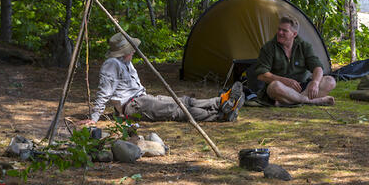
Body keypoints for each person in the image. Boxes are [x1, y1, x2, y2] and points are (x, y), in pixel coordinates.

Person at [78, 32, 244, 126]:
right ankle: (220, 115)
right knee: (177, 110)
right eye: (131, 49)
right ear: (122, 51)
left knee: (182, 101)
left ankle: (220, 102)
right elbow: (104, 92)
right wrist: (94, 117)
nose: (134, 51)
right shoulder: (111, 64)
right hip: (133, 106)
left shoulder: (126, 62)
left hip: (142, 100)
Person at [254, 15, 336, 106]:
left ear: (294, 34)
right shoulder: (269, 48)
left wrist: (315, 83)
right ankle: (310, 101)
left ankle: (289, 101)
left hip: (301, 88)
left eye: (284, 31)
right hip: (280, 89)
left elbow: (318, 67)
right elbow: (261, 75)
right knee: (275, 86)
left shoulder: (304, 46)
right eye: (279, 29)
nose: (280, 32)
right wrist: (284, 81)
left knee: (330, 81)